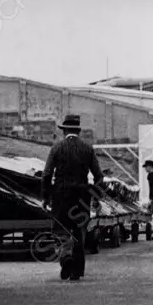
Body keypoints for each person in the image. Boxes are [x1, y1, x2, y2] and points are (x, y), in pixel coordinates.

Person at [41, 114, 104, 281]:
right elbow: (99, 177)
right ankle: (76, 271)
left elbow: (47, 174)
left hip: (61, 194)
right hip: (82, 195)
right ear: (78, 131)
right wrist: (96, 198)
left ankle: (65, 256)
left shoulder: (56, 148)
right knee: (79, 231)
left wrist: (45, 197)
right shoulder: (88, 149)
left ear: (64, 131)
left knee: (61, 229)